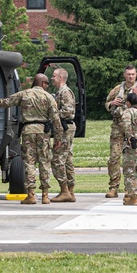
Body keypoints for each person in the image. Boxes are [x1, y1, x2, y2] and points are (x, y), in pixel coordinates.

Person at [0, 74, 63, 205]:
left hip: (28, 131)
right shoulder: (48, 97)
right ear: (41, 83)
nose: (47, 85)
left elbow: (6, 102)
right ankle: (45, 195)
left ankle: (31, 195)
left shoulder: (24, 94)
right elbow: (56, 119)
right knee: (44, 162)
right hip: (43, 132)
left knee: (29, 162)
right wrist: (58, 138)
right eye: (46, 83)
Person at [104, 65, 137, 198]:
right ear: (125, 75)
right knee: (114, 158)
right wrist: (112, 103)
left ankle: (131, 188)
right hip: (118, 126)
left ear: (136, 75)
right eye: (128, 74)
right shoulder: (118, 89)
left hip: (133, 127)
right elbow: (106, 104)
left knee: (133, 158)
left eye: (133, 74)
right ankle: (113, 187)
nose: (130, 76)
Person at [50, 68, 77, 202]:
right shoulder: (60, 92)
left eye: (54, 76)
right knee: (67, 160)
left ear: (61, 78)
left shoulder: (65, 92)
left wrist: (52, 115)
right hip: (63, 127)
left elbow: (67, 111)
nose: (51, 78)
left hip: (65, 127)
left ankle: (65, 190)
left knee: (57, 159)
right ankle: (70, 191)